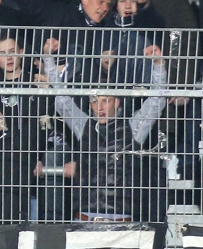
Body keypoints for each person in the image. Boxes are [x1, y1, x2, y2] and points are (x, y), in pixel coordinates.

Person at [43, 40, 169, 221]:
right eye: (94, 101)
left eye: (105, 101)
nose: (99, 107)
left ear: (117, 102)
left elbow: (157, 101)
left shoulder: (133, 127)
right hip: (85, 218)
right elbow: (61, 98)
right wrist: (48, 59)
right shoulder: (83, 125)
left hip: (121, 219)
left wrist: (158, 65)